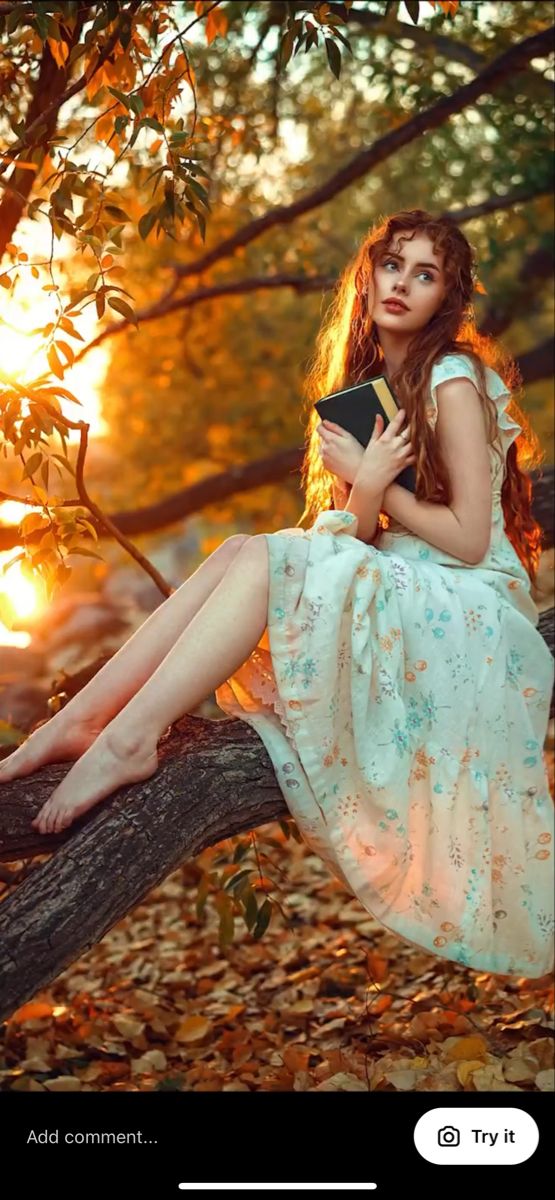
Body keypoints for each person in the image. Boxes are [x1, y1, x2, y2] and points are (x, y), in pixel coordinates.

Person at [1, 209, 553, 979]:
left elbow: (465, 538)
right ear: (366, 281)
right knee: (241, 550)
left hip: (466, 600)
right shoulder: (366, 393)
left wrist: (373, 486)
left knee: (266, 560)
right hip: (406, 581)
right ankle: (86, 720)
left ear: (445, 300)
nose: (402, 284)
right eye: (392, 266)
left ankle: (127, 737)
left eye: (424, 275)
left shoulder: (452, 380)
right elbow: (356, 536)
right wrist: (362, 485)